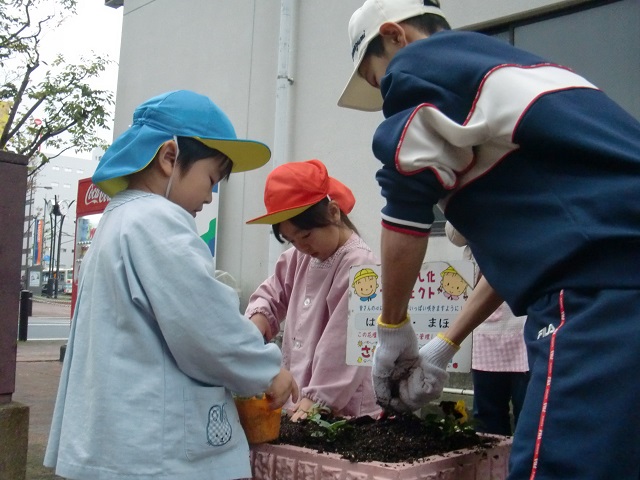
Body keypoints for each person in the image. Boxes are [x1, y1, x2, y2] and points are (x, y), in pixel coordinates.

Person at [337, 0, 640, 478]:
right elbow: (531, 247)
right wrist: (444, 345)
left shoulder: (423, 63)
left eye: (378, 79)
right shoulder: (517, 74)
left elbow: (405, 204)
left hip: (602, 291)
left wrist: (392, 328)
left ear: (395, 36)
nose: (386, 95)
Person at [44, 90, 298, 480]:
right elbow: (207, 326)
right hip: (159, 456)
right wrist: (268, 370)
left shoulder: (117, 221)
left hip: (119, 445)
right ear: (169, 157)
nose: (210, 197)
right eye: (211, 179)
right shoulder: (156, 220)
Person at [245, 159, 380, 422]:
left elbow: (342, 343)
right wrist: (258, 319)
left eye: (305, 236)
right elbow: (272, 293)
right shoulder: (298, 257)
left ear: (333, 212)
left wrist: (317, 400)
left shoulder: (359, 265)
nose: (301, 246)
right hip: (304, 403)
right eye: (291, 240)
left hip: (342, 406)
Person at [446, 222, 529, 436]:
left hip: (524, 323)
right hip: (483, 327)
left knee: (529, 415)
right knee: (486, 417)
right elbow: (454, 234)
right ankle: (491, 468)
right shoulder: (472, 202)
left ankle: (524, 468)